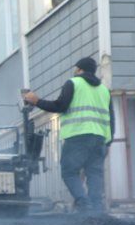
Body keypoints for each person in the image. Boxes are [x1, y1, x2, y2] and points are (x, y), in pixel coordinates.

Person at [23, 57, 114, 214]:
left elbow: (60, 106)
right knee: (94, 174)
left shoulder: (73, 83)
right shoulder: (104, 90)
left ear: (79, 70)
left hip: (78, 136)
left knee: (69, 172)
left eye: (75, 69)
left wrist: (36, 101)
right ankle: (97, 210)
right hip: (99, 138)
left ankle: (84, 204)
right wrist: (108, 142)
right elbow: (111, 119)